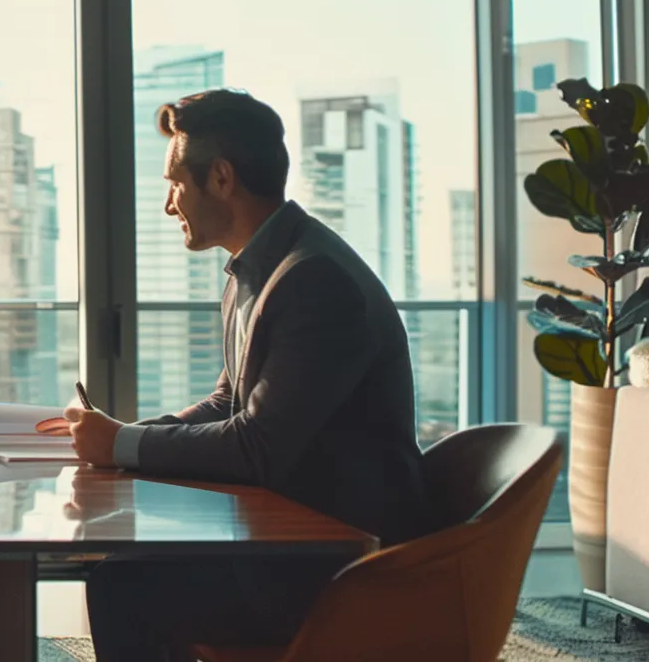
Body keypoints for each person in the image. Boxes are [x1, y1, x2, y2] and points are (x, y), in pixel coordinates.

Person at [63, 90, 436, 661]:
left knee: (122, 586)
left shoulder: (315, 282)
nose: (169, 205)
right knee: (123, 564)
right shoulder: (257, 271)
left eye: (175, 183)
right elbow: (227, 401)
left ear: (220, 178)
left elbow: (258, 445)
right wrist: (124, 438)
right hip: (286, 532)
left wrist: (122, 443)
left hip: (337, 566)